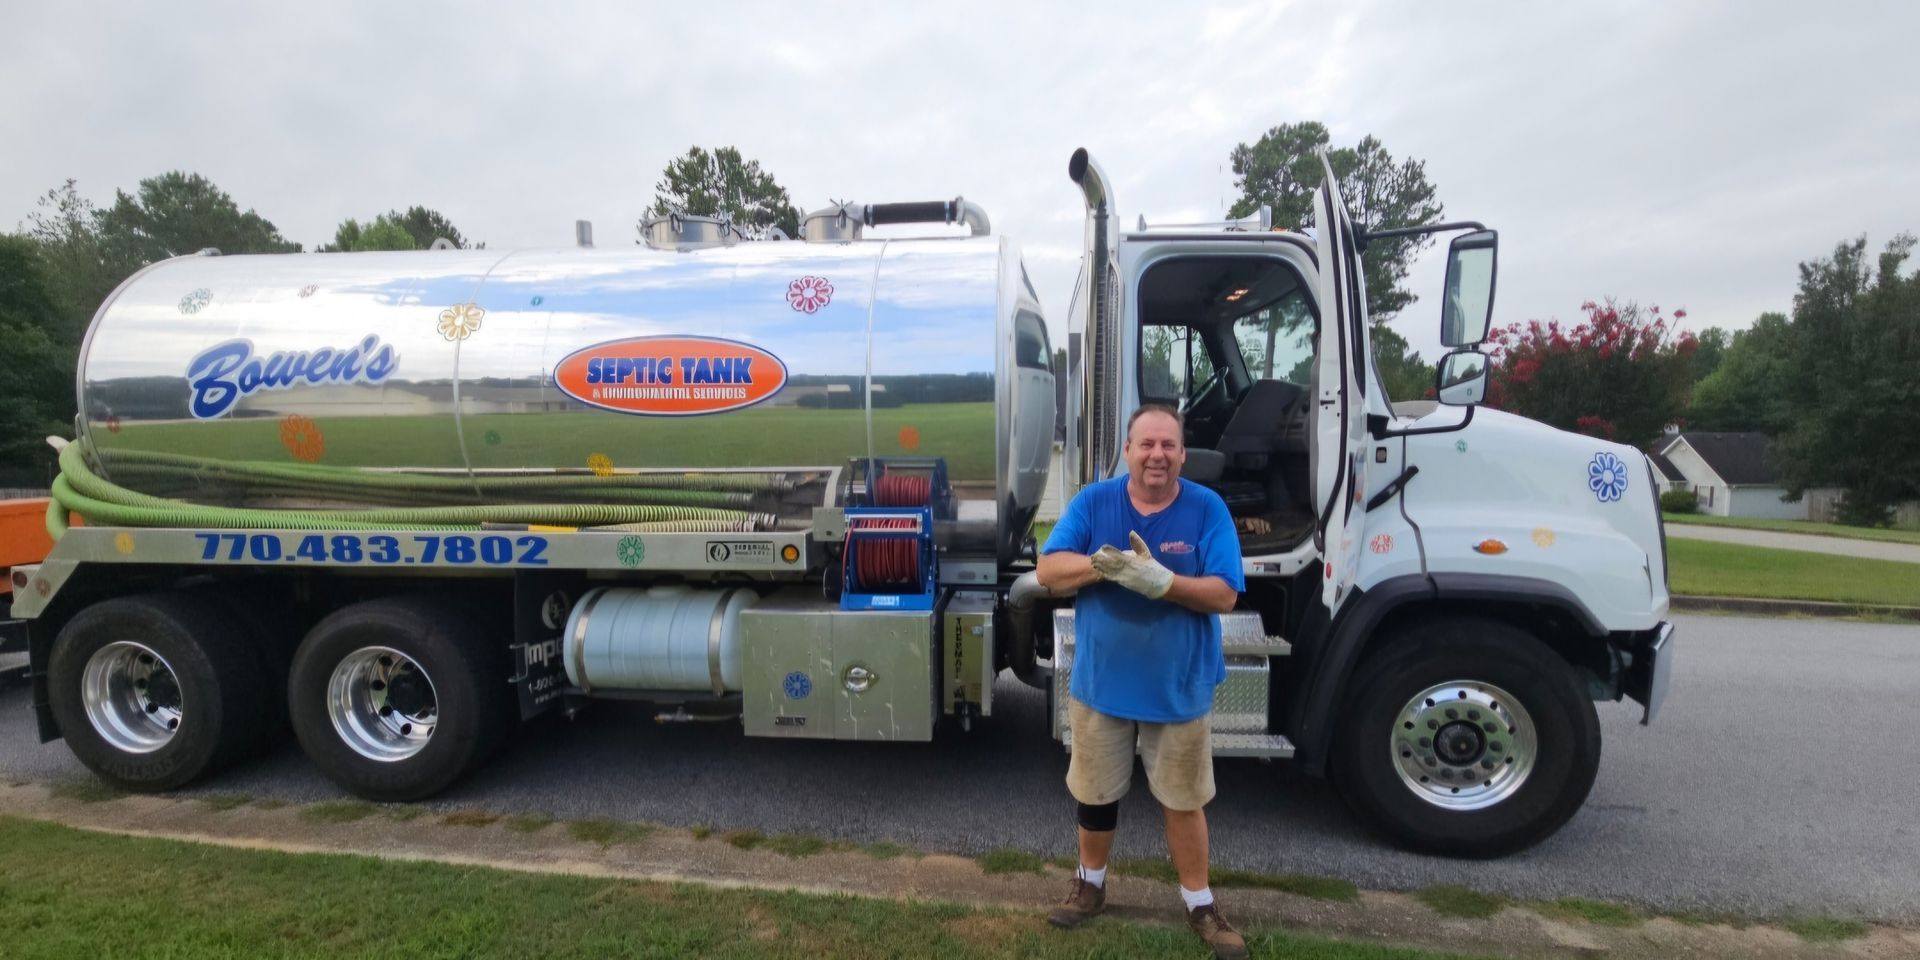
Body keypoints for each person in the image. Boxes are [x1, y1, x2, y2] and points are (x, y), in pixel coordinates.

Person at [1036, 403, 1248, 960]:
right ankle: (1091, 888)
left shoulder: (1207, 509)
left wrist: (1162, 581)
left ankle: (1200, 904)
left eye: (1168, 446)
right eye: (1146, 444)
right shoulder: (1093, 502)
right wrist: (1104, 566)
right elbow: (1048, 569)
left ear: (1182, 454)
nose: (1157, 455)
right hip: (1102, 684)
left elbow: (1225, 592)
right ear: (1127, 450)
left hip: (1177, 686)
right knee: (1095, 795)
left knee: (1183, 800)